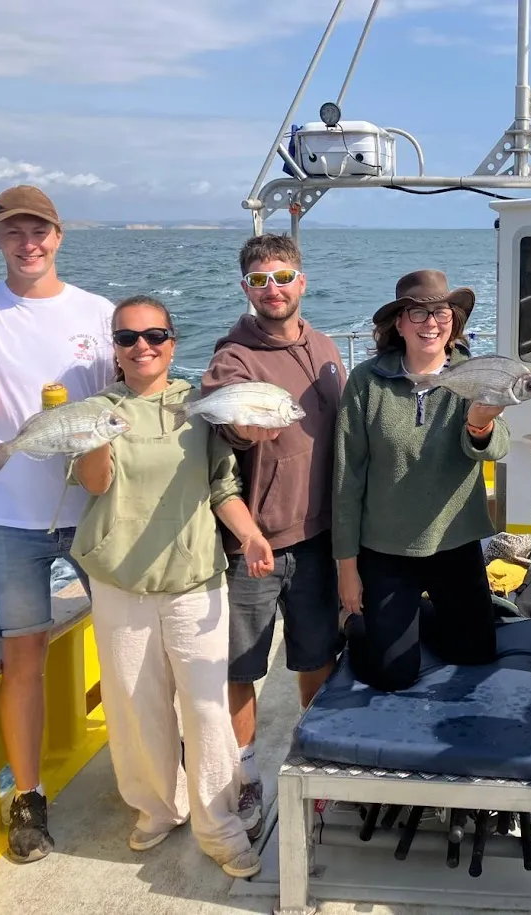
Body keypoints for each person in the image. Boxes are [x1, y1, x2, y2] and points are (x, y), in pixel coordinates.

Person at [0, 185, 115, 863]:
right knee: (23, 654)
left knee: (127, 640)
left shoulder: (96, 312)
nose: (28, 242)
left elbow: (120, 401)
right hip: (9, 514)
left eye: (39, 230)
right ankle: (29, 795)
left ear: (59, 236)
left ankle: (154, 763)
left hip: (94, 506)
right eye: (13, 232)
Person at [70, 296, 272, 877]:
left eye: (154, 335)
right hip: (119, 581)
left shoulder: (199, 407)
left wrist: (253, 537)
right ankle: (158, 807)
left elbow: (221, 488)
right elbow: (95, 483)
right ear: (114, 348)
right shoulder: (95, 408)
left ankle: (219, 825)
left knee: (206, 709)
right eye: (128, 338)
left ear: (173, 342)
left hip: (192, 579)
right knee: (135, 706)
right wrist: (93, 439)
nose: (142, 347)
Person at [200, 233, 346, 841]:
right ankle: (248, 772)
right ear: (246, 289)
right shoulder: (233, 356)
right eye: (259, 280)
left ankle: (316, 754)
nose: (273, 289)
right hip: (253, 544)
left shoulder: (328, 347)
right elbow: (228, 422)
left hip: (320, 538)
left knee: (317, 655)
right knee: (243, 666)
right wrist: (241, 427)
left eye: (282, 276)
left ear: (301, 281)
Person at [333, 270, 508, 692]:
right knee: (393, 675)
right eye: (418, 312)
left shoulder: (477, 375)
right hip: (385, 548)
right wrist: (346, 570)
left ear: (454, 321)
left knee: (477, 653)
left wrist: (480, 426)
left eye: (441, 311)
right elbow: (346, 478)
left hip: (455, 541)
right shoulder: (366, 382)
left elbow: (498, 446)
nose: (431, 322)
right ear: (399, 323)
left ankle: (414, 616)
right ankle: (370, 624)